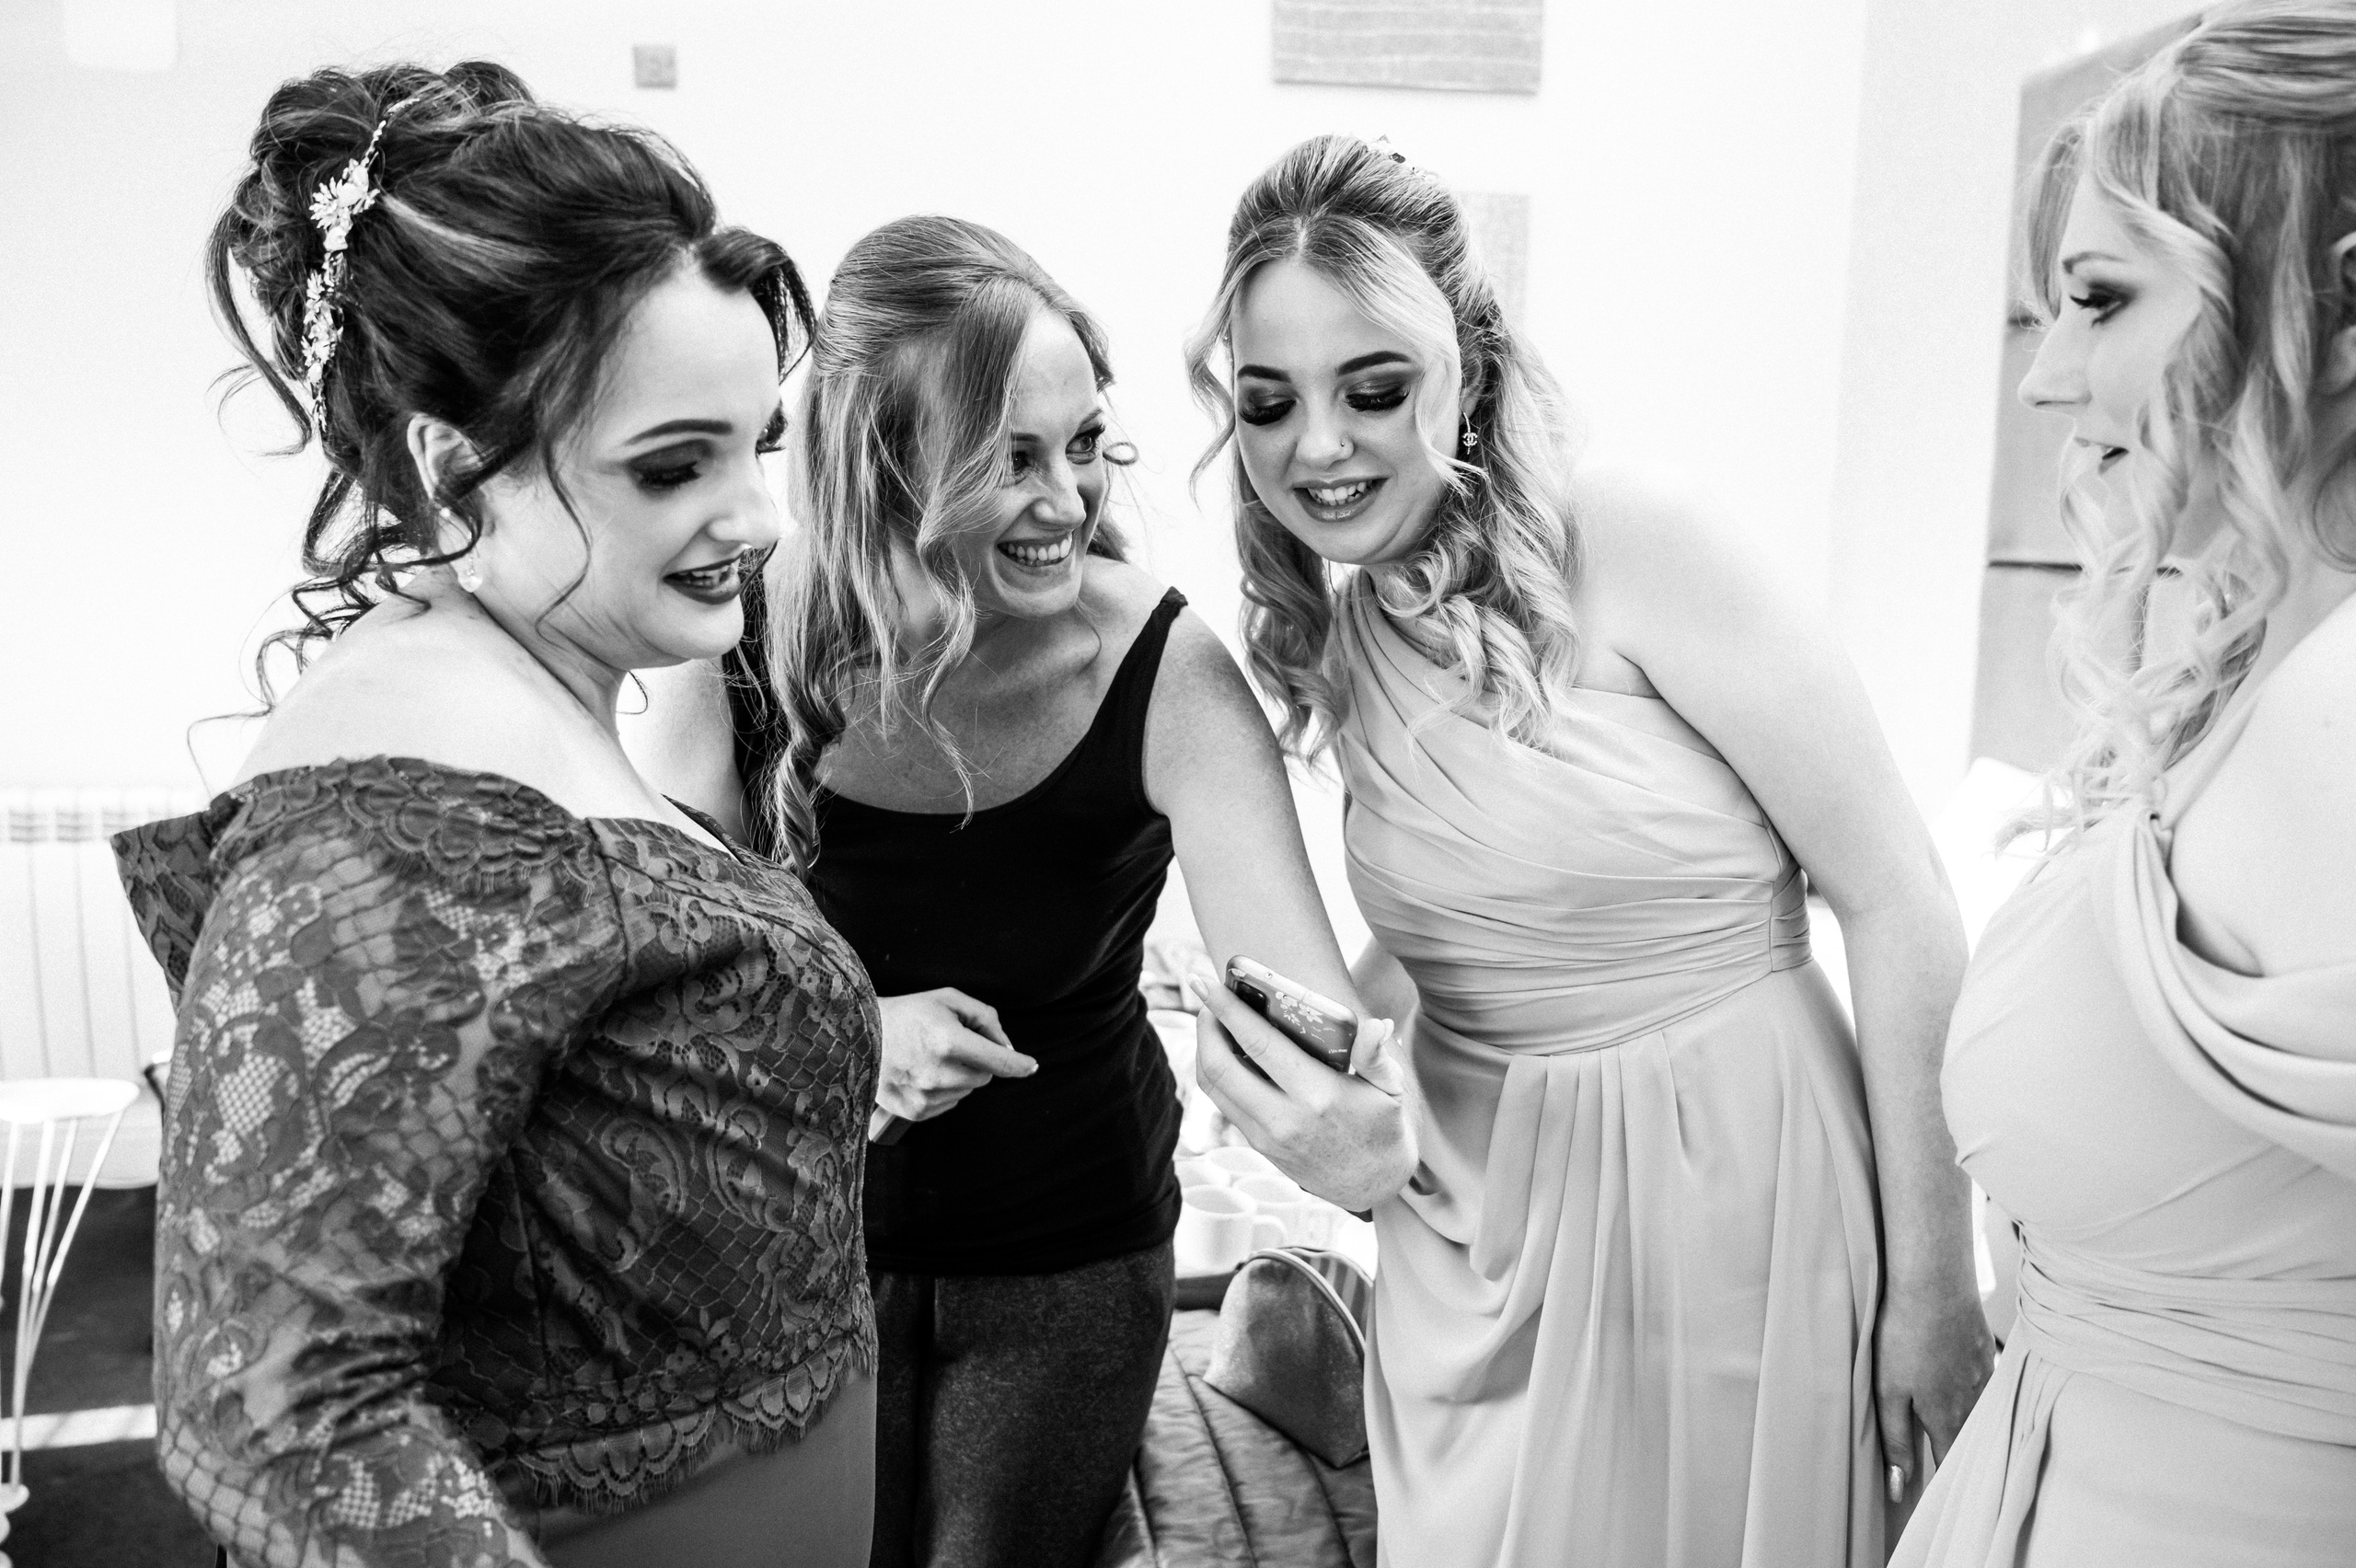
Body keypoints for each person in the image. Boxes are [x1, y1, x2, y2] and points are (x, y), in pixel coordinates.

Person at [1178, 135, 1994, 1567]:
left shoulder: (1635, 537)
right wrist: (1287, 1052)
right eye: (1269, 401)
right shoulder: (1354, 629)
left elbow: (1901, 894)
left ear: (1466, 368)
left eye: (1373, 390)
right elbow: (1456, 925)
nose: (1318, 447)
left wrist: (1937, 1283)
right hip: (1486, 1224)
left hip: (1733, 1188)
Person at [110, 62, 881, 1568]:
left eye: (759, 444)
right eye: (675, 466)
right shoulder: (399, 810)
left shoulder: (537, 700)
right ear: (450, 464)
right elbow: (269, 1413)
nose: (760, 521)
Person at [625, 213, 1409, 1568]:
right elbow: (645, 983)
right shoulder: (741, 639)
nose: (1071, 502)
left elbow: (1311, 1022)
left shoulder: (1165, 669)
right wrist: (849, 1032)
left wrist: (1347, 1101)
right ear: (888, 467)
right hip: (796, 1254)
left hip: (1071, 1255)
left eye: (1086, 443)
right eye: (1013, 461)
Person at [1892, 6, 2356, 1563]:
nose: (2047, 379)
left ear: (2336, 304)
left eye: (2099, 299)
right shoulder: (2249, 663)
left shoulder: (2335, 717)